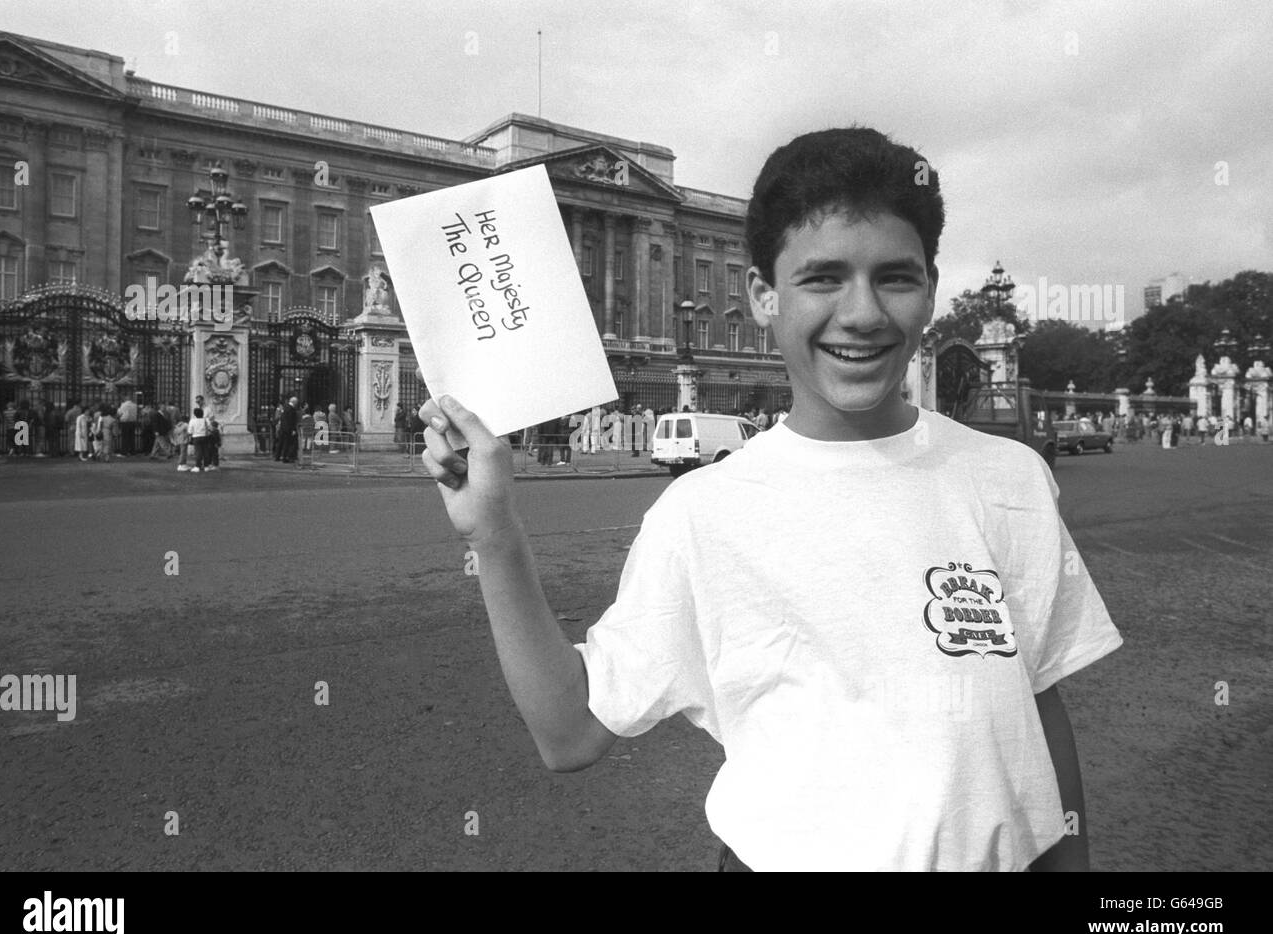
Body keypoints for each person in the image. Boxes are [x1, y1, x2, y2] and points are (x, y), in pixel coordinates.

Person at [414, 127, 1122, 872]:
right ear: (762, 294)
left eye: (894, 276)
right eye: (822, 278)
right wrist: (492, 532)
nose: (863, 313)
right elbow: (568, 732)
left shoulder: (1010, 477)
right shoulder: (701, 513)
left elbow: (1038, 711)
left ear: (931, 288)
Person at [187, 407, 209, 472]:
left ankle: (197, 466)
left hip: (196, 437)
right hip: (204, 436)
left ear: (195, 414)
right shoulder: (206, 420)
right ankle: (206, 466)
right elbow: (209, 427)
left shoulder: (192, 420)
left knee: (198, 452)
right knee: (205, 451)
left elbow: (190, 431)